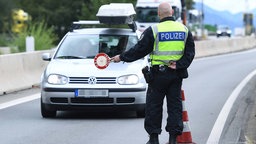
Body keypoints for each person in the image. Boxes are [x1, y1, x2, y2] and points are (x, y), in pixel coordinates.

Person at [111, 2, 195, 144]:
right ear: (172, 13)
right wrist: (179, 65)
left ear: (158, 14)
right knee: (174, 106)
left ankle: (154, 138)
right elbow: (190, 53)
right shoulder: (184, 30)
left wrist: (121, 57)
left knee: (154, 106)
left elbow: (139, 50)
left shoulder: (154, 30)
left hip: (158, 75)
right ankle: (173, 139)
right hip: (176, 75)